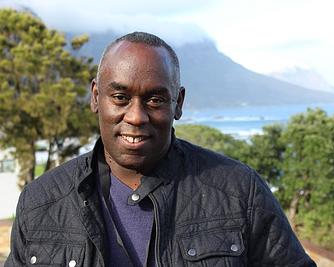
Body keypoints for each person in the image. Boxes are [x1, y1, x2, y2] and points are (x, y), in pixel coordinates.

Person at [6, 32, 316, 267]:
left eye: (155, 99)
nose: (137, 116)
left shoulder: (239, 191)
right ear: (95, 97)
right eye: (120, 97)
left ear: (178, 103)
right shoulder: (41, 202)